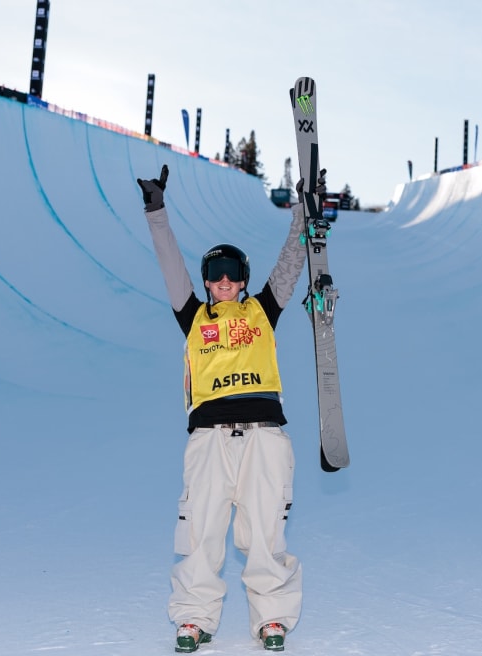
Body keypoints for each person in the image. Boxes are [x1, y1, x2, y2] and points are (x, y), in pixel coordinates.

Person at [137, 164, 325, 653]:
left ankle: (271, 618)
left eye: (233, 273)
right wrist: (156, 211)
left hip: (264, 435)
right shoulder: (192, 314)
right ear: (206, 281)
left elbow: (290, 263)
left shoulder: (263, 309)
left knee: (264, 532)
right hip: (209, 440)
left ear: (243, 281)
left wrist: (302, 214)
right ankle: (194, 618)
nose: (224, 280)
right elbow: (169, 261)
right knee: (201, 532)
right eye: (215, 273)